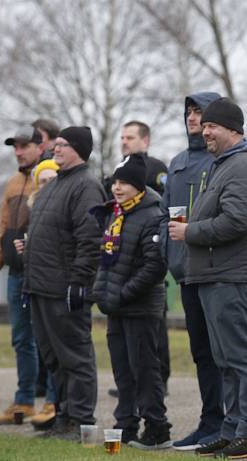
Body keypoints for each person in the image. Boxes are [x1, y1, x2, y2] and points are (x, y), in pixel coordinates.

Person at [169, 97, 247, 459]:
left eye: (212, 126)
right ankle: (232, 430)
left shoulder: (244, 165)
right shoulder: (223, 164)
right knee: (225, 358)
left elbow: (237, 220)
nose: (204, 130)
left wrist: (190, 233)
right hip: (216, 276)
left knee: (242, 356)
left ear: (233, 129)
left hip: (234, 276)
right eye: (204, 125)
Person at [22, 126, 106, 441]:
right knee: (54, 357)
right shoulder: (54, 185)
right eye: (55, 144)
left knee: (75, 356)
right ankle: (64, 417)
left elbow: (90, 239)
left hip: (64, 290)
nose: (55, 149)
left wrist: (79, 282)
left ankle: (80, 421)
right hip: (41, 288)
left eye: (62, 145)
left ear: (79, 150)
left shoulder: (85, 186)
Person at [90, 155, 171, 449]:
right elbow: (108, 261)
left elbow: (154, 267)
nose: (117, 188)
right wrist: (101, 293)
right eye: (115, 182)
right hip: (117, 308)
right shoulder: (116, 214)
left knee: (146, 370)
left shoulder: (151, 214)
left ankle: (157, 428)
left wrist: (122, 294)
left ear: (138, 186)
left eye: (124, 183)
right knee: (122, 371)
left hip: (141, 308)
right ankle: (126, 424)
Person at [162, 91, 224, 451]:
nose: (191, 117)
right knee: (200, 351)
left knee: (221, 352)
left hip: (214, 269)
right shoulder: (178, 161)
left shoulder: (221, 160)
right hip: (184, 271)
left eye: (199, 112)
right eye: (188, 112)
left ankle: (229, 423)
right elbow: (165, 214)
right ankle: (209, 420)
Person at [0, 126, 43, 425]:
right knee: (21, 339)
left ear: (39, 146)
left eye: (23, 146)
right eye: (15, 148)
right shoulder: (11, 184)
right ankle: (24, 402)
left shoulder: (47, 178)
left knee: (44, 339)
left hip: (42, 273)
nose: (18, 152)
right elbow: (4, 230)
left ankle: (54, 403)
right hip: (15, 273)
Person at [106, 120, 170, 398]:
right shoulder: (120, 168)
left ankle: (161, 378)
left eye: (130, 137)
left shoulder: (155, 169)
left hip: (148, 252)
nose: (124, 141)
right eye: (122, 137)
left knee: (154, 330)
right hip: (123, 262)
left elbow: (164, 202)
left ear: (145, 140)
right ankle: (130, 385)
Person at [13, 159, 61, 430]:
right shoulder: (32, 207)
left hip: (53, 287)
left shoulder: (61, 207)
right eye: (41, 182)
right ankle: (42, 401)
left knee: (55, 349)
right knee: (37, 346)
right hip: (32, 284)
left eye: (50, 180)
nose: (45, 186)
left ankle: (54, 402)